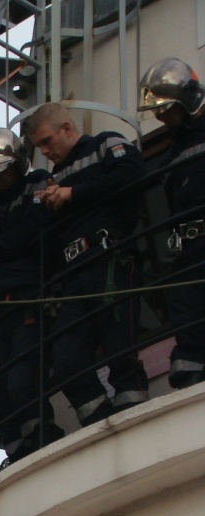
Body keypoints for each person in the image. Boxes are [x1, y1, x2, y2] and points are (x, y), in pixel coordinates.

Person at [24, 104, 149, 426]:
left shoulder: (105, 144)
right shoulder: (50, 179)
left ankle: (133, 413)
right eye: (39, 147)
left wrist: (73, 193)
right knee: (65, 358)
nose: (45, 151)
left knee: (120, 344)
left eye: (47, 141)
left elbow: (132, 175)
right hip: (72, 273)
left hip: (109, 258)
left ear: (66, 128)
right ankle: (99, 421)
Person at [0, 126, 65, 462]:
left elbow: (35, 229)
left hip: (27, 298)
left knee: (22, 381)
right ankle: (16, 450)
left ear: (17, 164)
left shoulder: (38, 184)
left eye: (1, 171)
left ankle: (43, 436)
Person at [138, 57, 205, 388]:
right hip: (189, 245)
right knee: (186, 308)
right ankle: (191, 368)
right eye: (158, 113)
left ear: (188, 99)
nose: (161, 117)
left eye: (167, 110)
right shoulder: (174, 148)